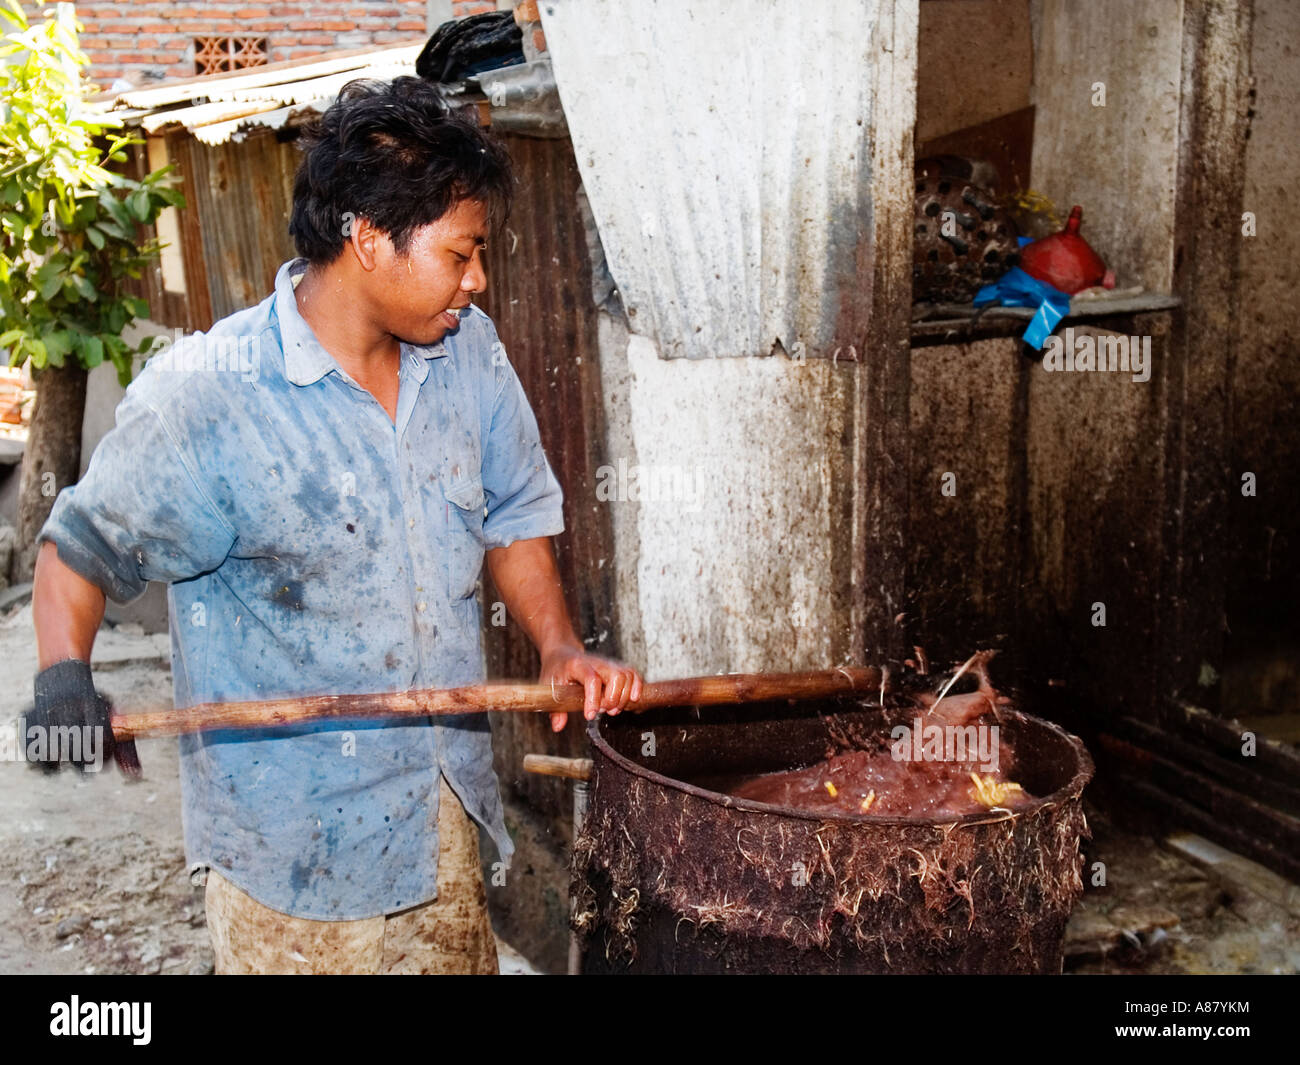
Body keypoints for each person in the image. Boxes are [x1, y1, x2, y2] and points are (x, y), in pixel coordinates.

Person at [27, 76, 641, 974]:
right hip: (289, 866)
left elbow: (512, 511)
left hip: (440, 825)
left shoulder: (467, 355)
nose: (479, 279)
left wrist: (557, 647)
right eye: (461, 253)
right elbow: (77, 550)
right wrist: (61, 679)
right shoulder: (212, 396)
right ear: (365, 236)